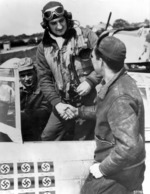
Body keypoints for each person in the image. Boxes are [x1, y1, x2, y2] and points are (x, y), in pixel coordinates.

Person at [67, 36, 146, 193]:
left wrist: (103, 168)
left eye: (92, 56)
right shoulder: (120, 81)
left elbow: (129, 147)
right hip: (125, 167)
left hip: (119, 171)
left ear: (101, 62)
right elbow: (108, 113)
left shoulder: (119, 96)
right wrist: (79, 112)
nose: (91, 60)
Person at [36, 1, 101, 141]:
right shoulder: (43, 48)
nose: (59, 26)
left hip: (90, 100)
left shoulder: (86, 35)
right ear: (46, 25)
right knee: (47, 137)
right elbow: (44, 79)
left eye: (61, 20)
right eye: (54, 23)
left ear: (67, 18)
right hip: (63, 102)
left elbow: (106, 63)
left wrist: (91, 81)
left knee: (81, 140)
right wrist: (58, 104)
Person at [18, 57, 51, 141]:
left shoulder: (44, 87)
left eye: (29, 74)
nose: (26, 79)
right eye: (22, 76)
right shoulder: (18, 89)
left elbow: (44, 112)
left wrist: (21, 114)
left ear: (35, 73)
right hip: (24, 126)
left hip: (40, 128)